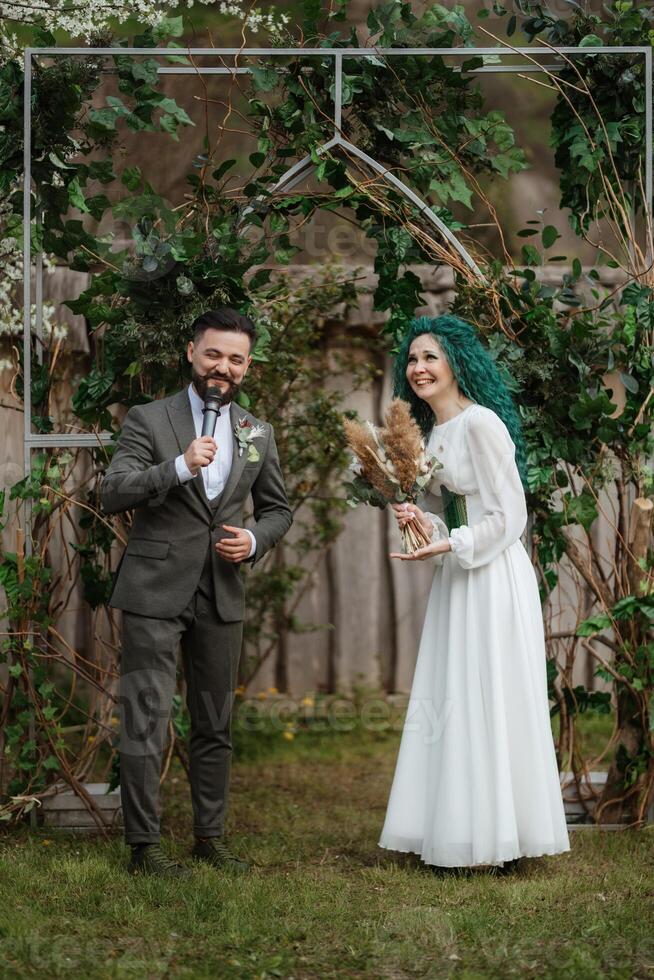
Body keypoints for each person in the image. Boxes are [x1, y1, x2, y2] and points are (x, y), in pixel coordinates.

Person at [101, 307, 292, 877]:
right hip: (154, 589)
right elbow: (113, 491)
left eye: (236, 359)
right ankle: (144, 846)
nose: (223, 367)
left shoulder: (257, 432)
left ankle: (209, 836)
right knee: (146, 717)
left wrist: (255, 540)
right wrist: (178, 467)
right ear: (191, 353)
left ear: (247, 366)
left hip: (220, 591)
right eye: (213, 354)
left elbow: (279, 510)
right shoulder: (149, 418)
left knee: (214, 722)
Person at [378, 313, 570, 870]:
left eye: (430, 357)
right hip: (457, 577)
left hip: (492, 576)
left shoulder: (482, 423)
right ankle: (455, 832)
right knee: (453, 694)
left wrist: (451, 544)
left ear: (457, 363)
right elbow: (450, 514)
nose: (418, 368)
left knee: (493, 694)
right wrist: (423, 521)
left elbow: (509, 517)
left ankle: (502, 835)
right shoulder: (432, 433)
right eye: (412, 359)